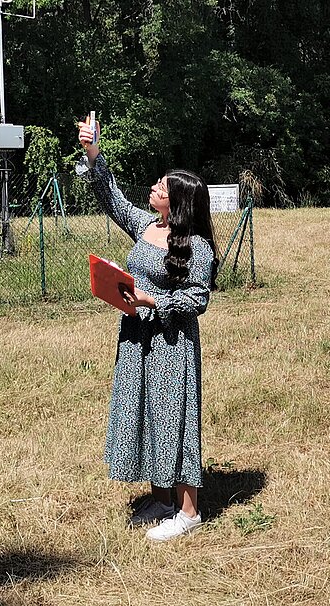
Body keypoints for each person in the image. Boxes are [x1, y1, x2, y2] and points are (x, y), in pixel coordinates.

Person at [75, 117, 218, 542]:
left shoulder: (197, 246)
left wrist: (155, 302)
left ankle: (189, 511)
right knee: (147, 413)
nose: (154, 187)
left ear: (176, 202)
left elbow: (198, 300)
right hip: (137, 339)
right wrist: (94, 152)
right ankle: (161, 498)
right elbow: (113, 200)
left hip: (171, 343)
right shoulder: (147, 227)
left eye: (161, 186)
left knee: (176, 417)